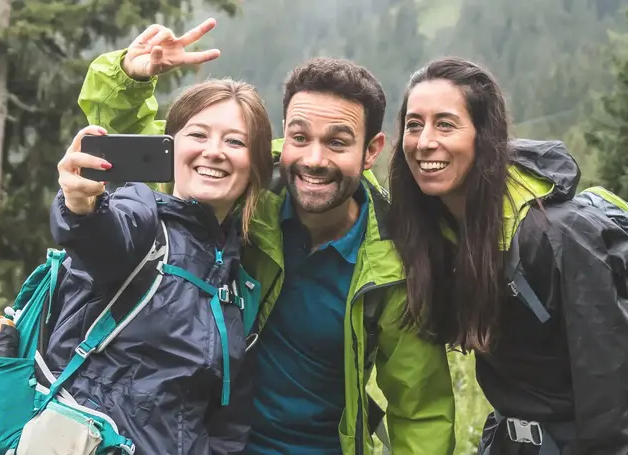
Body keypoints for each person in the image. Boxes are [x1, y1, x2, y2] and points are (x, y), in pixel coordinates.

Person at [74, 18, 458, 455]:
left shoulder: (395, 263)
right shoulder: (248, 189)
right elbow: (156, 150)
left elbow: (419, 409)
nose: (314, 159)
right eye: (300, 137)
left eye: (337, 142)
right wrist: (129, 78)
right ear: (284, 134)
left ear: (371, 151)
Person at [385, 57, 628, 455]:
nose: (424, 141)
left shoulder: (559, 235)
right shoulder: (440, 232)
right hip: (511, 440)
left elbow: (610, 394)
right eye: (414, 124)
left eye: (445, 124)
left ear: (483, 136)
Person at [47, 72, 274, 453]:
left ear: (255, 164)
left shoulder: (239, 284)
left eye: (235, 141)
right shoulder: (142, 217)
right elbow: (101, 239)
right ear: (170, 148)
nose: (214, 151)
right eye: (198, 135)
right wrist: (80, 205)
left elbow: (229, 424)